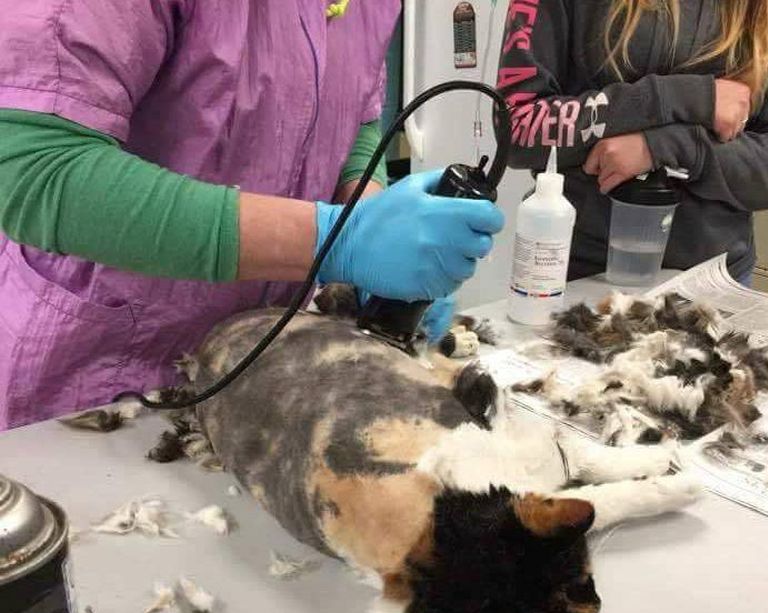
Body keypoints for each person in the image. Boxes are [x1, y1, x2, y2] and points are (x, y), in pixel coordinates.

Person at [0, 1, 504, 430]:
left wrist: (376, 222)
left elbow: (356, 121)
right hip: (99, 381)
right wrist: (335, 239)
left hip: (260, 370)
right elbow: (33, 166)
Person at [498, 0, 768, 283]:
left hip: (715, 278)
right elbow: (517, 128)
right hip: (576, 267)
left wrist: (668, 146)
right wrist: (680, 98)